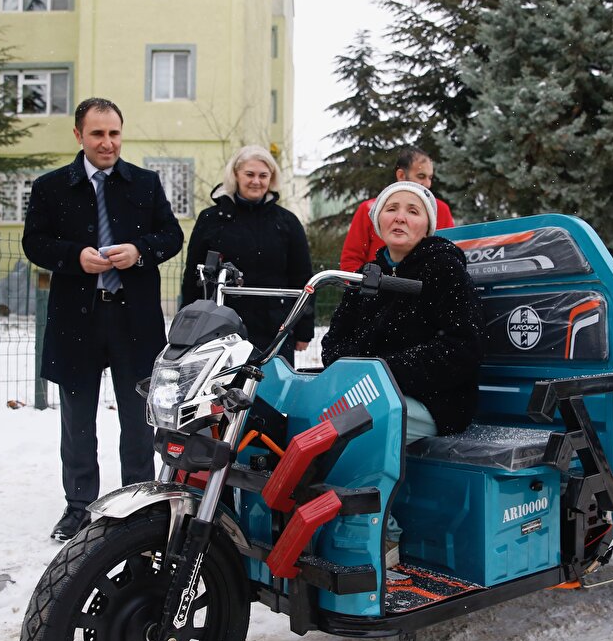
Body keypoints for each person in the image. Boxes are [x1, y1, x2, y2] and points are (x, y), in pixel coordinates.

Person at [23, 98, 184, 541]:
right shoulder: (52, 187)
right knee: (77, 420)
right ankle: (78, 505)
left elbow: (171, 235)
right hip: (77, 320)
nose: (107, 142)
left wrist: (140, 251)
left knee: (138, 417)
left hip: (134, 321)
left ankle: (137, 501)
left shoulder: (146, 184)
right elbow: (34, 243)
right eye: (97, 134)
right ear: (78, 135)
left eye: (114, 133)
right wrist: (74, 257)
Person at [322, 181, 483, 442]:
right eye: (391, 209)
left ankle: (361, 485)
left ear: (427, 225)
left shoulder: (444, 269)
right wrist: (357, 373)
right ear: (378, 220)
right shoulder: (368, 275)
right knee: (311, 413)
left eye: (413, 211)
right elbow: (334, 343)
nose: (400, 218)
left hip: (433, 402)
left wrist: (382, 373)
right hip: (365, 393)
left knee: (350, 428)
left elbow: (463, 349)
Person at [181, 145, 313, 364]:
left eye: (263, 175)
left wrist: (304, 329)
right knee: (221, 395)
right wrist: (187, 324)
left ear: (271, 179)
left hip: (275, 328)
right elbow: (192, 276)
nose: (256, 181)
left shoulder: (287, 223)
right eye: (249, 174)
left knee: (271, 395)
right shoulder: (211, 220)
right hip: (220, 327)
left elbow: (303, 278)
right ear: (235, 175)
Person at [338, 146, 456, 273]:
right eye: (421, 176)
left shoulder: (441, 210)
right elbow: (351, 260)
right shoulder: (369, 209)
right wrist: (366, 287)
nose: (428, 184)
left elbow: (449, 257)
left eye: (430, 177)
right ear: (401, 175)